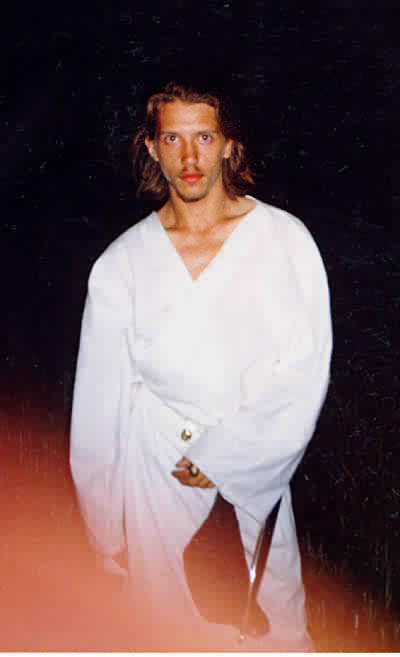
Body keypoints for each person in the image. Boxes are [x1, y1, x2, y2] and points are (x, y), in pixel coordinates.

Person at [70, 79, 332, 651]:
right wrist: (105, 533)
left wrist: (222, 458)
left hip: (249, 481)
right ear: (151, 147)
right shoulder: (122, 264)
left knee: (270, 632)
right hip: (154, 486)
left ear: (230, 145)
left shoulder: (283, 241)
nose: (189, 158)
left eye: (205, 137)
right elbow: (98, 406)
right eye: (173, 139)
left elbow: (303, 371)